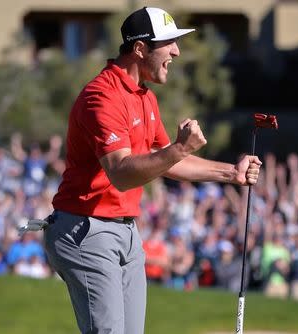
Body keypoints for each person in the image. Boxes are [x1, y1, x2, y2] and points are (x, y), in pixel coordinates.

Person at [42, 6, 261, 334]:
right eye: (168, 43)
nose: (176, 51)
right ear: (140, 48)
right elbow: (121, 172)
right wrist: (179, 147)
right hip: (85, 230)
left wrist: (232, 173)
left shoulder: (145, 98)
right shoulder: (101, 97)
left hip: (126, 232)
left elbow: (168, 161)